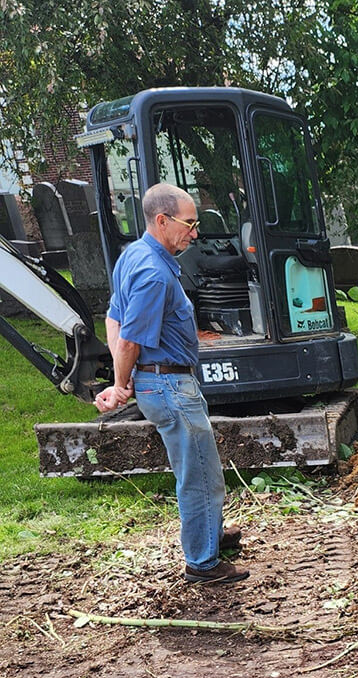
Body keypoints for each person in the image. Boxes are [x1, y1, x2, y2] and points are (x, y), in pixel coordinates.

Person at [93, 183, 248, 585]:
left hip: (162, 383)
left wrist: (123, 381)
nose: (195, 233)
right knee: (199, 474)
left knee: (200, 467)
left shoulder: (134, 255)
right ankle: (202, 562)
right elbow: (127, 337)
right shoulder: (153, 274)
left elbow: (113, 317)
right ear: (162, 221)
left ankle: (209, 534)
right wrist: (120, 382)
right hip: (168, 386)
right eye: (190, 224)